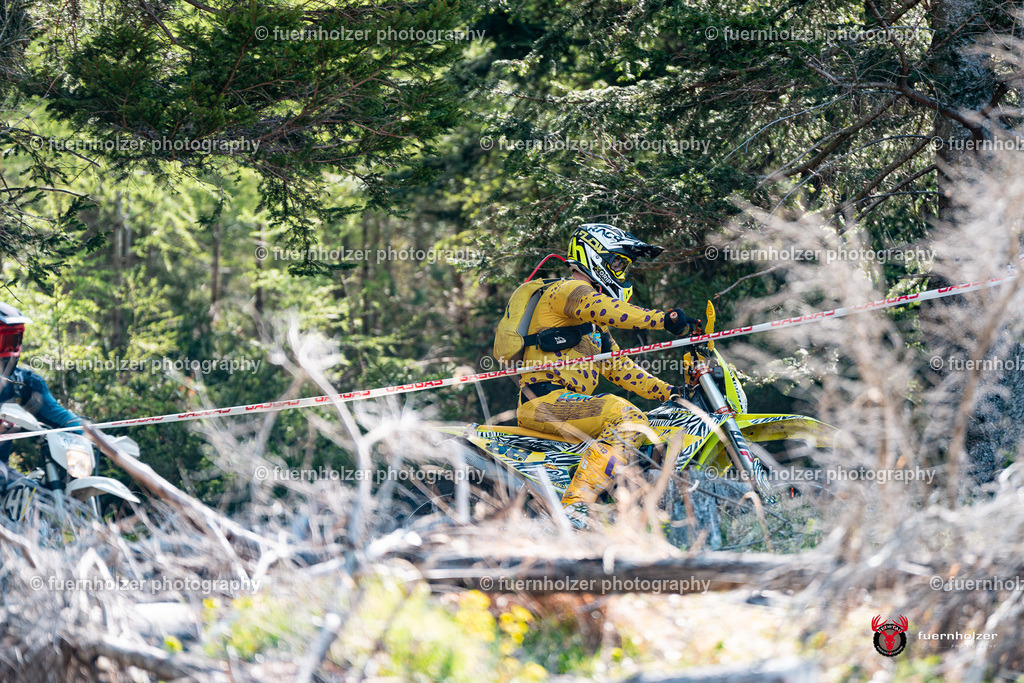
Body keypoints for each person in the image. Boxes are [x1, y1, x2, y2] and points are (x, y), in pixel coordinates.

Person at [513, 224, 699, 525]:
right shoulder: (567, 291)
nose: (621, 271)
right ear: (592, 256)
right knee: (625, 416)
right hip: (545, 402)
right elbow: (611, 310)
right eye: (617, 263)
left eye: (623, 265)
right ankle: (576, 508)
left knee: (641, 421)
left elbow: (619, 367)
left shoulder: (592, 326)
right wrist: (662, 319)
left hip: (569, 404)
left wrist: (670, 392)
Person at [0, 302, 82, 486]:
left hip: (2, 469)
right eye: (4, 341)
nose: (8, 349)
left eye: (13, 340)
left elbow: (61, 417)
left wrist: (92, 433)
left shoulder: (23, 382)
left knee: (36, 497)